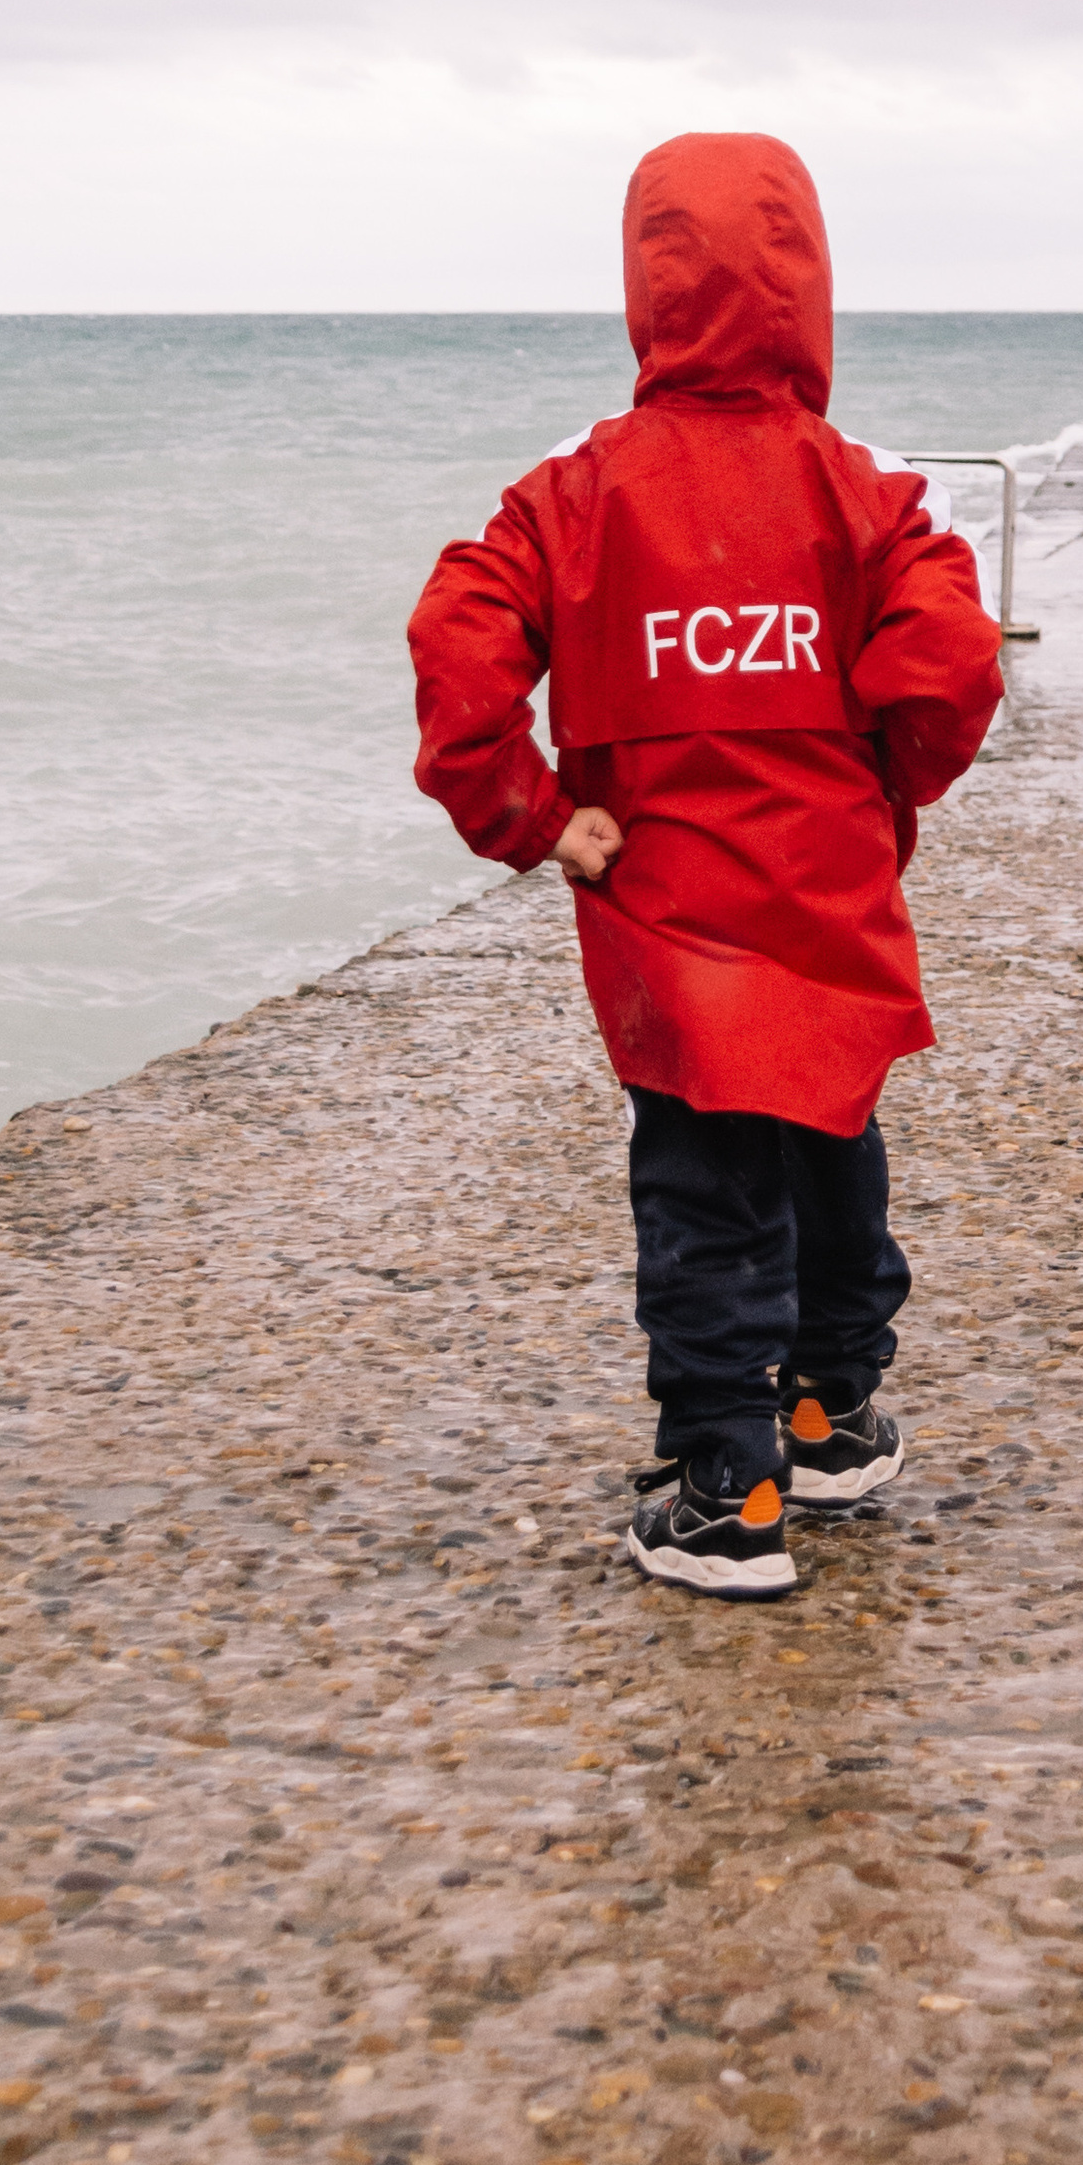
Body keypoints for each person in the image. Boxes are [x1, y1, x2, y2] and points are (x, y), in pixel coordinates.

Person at [409, 131, 1003, 1602]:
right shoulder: (859, 492)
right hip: (825, 900)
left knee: (703, 1182)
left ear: (649, 291)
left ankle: (729, 1485)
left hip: (674, 917)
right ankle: (830, 1412)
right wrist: (881, 792)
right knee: (831, 1138)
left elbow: (457, 645)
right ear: (807, 289)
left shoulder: (577, 495)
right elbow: (950, 659)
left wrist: (533, 816)